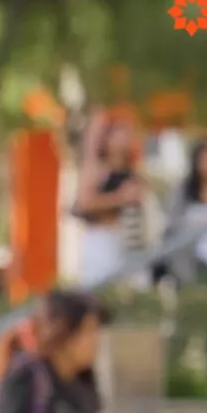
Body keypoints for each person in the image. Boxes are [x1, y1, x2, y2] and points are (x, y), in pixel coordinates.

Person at [73, 116, 146, 289]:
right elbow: (84, 203)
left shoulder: (131, 170)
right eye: (120, 134)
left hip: (128, 238)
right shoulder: (97, 169)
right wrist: (120, 198)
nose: (125, 139)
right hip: (101, 238)